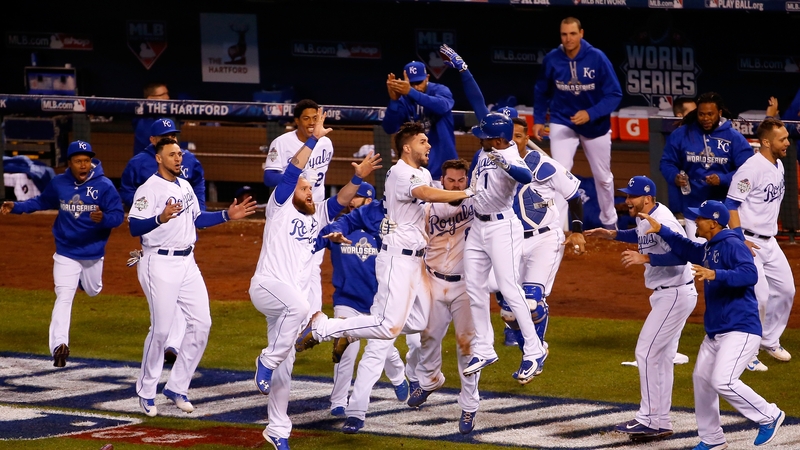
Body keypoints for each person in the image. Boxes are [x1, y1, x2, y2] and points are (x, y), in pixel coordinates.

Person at [294, 121, 473, 434]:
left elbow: (425, 204)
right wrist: (466, 192)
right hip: (397, 263)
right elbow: (425, 194)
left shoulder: (423, 172)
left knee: (419, 323)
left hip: (418, 265)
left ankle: (352, 331)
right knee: (386, 329)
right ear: (407, 147)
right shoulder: (401, 173)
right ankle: (325, 330)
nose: (428, 146)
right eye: (422, 141)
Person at [250, 109, 382, 447]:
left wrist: (359, 177)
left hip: (286, 301)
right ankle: (265, 360)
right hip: (267, 286)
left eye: (310, 188)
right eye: (304, 188)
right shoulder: (279, 207)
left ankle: (277, 430)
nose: (309, 192)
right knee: (298, 311)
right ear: (291, 191)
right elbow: (293, 170)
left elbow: (338, 201)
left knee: (285, 366)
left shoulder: (317, 215)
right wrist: (315, 137)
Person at [438, 44, 546, 384]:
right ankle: (484, 348)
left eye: (487, 136)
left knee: (511, 292)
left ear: (499, 140)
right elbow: (477, 101)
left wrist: (508, 165)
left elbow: (526, 178)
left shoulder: (509, 154)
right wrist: (462, 67)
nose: (481, 137)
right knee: (474, 289)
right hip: (478, 229)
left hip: (503, 229)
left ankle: (533, 350)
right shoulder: (492, 140)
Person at [639, 200, 785, 450]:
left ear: (713, 223)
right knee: (702, 380)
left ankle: (769, 415)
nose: (695, 221)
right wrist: (662, 229)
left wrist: (716, 274)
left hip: (741, 328)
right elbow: (685, 248)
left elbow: (749, 274)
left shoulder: (732, 244)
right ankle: (713, 438)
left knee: (723, 381)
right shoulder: (709, 246)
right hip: (717, 331)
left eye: (700, 218)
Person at [129, 137, 257, 418]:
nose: (178, 158)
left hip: (187, 262)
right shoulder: (148, 189)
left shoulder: (185, 185)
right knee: (161, 330)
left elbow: (198, 219)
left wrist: (226, 214)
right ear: (158, 158)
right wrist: (160, 218)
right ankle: (146, 391)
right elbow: (134, 226)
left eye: (179, 154)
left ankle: (177, 386)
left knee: (201, 323)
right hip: (158, 263)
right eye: (172, 154)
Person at [586, 176, 697, 442]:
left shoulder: (665, 221)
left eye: (631, 197)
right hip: (669, 295)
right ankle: (660, 421)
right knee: (661, 358)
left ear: (647, 198)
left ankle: (648, 419)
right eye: (626, 196)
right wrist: (611, 234)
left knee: (645, 352)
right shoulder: (645, 217)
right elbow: (639, 236)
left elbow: (683, 255)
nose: (627, 202)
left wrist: (645, 258)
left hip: (674, 294)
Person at [1, 141, 123, 367]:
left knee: (94, 290)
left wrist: (104, 219)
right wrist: (16, 207)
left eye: (86, 160)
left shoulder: (104, 186)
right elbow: (41, 201)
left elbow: (118, 216)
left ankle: (83, 282)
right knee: (64, 297)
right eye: (78, 161)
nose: (83, 165)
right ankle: (59, 346)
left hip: (93, 253)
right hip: (66, 251)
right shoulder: (59, 183)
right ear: (70, 163)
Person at [314, 182, 410, 418]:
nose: (351, 201)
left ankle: (398, 375)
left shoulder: (383, 232)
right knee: (344, 348)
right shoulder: (340, 227)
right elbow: (317, 240)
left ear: (368, 201)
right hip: (346, 301)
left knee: (384, 350)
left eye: (356, 197)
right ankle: (338, 401)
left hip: (377, 302)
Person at [121, 117, 207, 365]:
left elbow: (197, 187)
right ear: (154, 144)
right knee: (161, 322)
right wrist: (154, 213)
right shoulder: (142, 170)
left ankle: (173, 348)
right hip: (155, 250)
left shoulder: (186, 168)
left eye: (174, 135)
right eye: (165, 137)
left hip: (183, 249)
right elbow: (129, 195)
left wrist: (220, 213)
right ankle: (149, 382)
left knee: (197, 317)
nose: (172, 142)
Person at [405, 158, 481, 435]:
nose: (457, 186)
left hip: (466, 286)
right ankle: (429, 380)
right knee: (428, 336)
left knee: (467, 347)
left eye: (461, 181)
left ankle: (469, 406)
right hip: (433, 280)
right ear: (442, 181)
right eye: (451, 181)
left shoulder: (476, 204)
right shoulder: (428, 207)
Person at [532, 16, 623, 231]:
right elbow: (541, 91)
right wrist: (538, 120)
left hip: (595, 125)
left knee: (603, 178)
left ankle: (610, 223)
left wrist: (590, 113)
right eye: (564, 34)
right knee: (559, 174)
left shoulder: (597, 58)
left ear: (581, 34)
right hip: (562, 120)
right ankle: (559, 230)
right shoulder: (553, 59)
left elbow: (614, 94)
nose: (568, 38)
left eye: (572, 34)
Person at [725, 117, 794, 371]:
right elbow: (730, 205)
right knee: (760, 296)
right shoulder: (750, 169)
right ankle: (747, 352)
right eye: (782, 139)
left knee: (786, 290)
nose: (788, 142)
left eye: (787, 138)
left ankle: (769, 339)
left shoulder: (779, 165)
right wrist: (739, 239)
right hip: (748, 239)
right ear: (766, 142)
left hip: (769, 241)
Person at [262, 99, 334, 336]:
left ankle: (310, 320)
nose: (312, 122)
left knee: (313, 263)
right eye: (307, 118)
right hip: (288, 212)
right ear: (296, 121)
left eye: (316, 117)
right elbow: (269, 177)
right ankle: (299, 315)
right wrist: (294, 176)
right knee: (293, 264)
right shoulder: (282, 143)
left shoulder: (326, 144)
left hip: (316, 211)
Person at [659, 92, 754, 243]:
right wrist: (674, 176)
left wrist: (722, 179)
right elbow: (667, 162)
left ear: (719, 113)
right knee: (699, 257)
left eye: (710, 114)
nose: (705, 118)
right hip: (695, 209)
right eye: (701, 114)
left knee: (727, 257)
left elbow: (749, 170)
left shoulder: (733, 137)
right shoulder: (682, 134)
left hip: (725, 211)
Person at [382, 61, 457, 181]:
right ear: (406, 80)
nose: (416, 87)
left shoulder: (440, 90)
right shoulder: (403, 99)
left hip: (445, 171)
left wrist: (411, 92)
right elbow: (389, 128)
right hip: (415, 172)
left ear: (427, 78)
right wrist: (394, 101)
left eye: (419, 82)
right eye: (412, 84)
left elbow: (442, 106)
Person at [132, 82, 171, 155]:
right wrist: (188, 144)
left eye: (167, 94)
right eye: (163, 95)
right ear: (150, 99)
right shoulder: (144, 121)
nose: (167, 97)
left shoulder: (165, 117)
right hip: (146, 164)